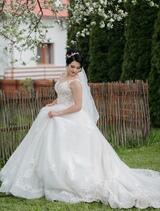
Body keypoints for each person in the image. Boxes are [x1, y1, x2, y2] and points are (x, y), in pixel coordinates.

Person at [0, 49, 160, 209]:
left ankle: (64, 178)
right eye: (72, 67)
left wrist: (58, 113)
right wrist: (54, 103)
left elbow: (77, 106)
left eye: (78, 68)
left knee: (69, 148)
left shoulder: (76, 82)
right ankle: (43, 177)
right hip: (59, 111)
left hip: (71, 116)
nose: (75, 70)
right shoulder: (63, 76)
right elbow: (63, 94)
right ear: (67, 64)